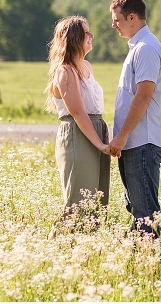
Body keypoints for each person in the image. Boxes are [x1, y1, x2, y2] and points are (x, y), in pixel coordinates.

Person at [45, 16, 114, 237]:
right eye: (86, 32)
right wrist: (100, 144)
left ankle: (86, 251)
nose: (91, 36)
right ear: (74, 38)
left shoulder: (86, 66)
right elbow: (77, 112)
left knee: (97, 200)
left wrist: (105, 139)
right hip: (78, 133)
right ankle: (56, 247)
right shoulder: (65, 70)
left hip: (95, 129)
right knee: (79, 201)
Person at [108, 0, 161, 237]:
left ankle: (154, 265)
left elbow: (144, 95)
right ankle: (143, 263)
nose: (113, 25)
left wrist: (122, 136)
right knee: (137, 209)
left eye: (117, 20)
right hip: (136, 140)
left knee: (145, 214)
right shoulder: (139, 47)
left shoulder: (146, 48)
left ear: (132, 17)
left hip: (142, 141)